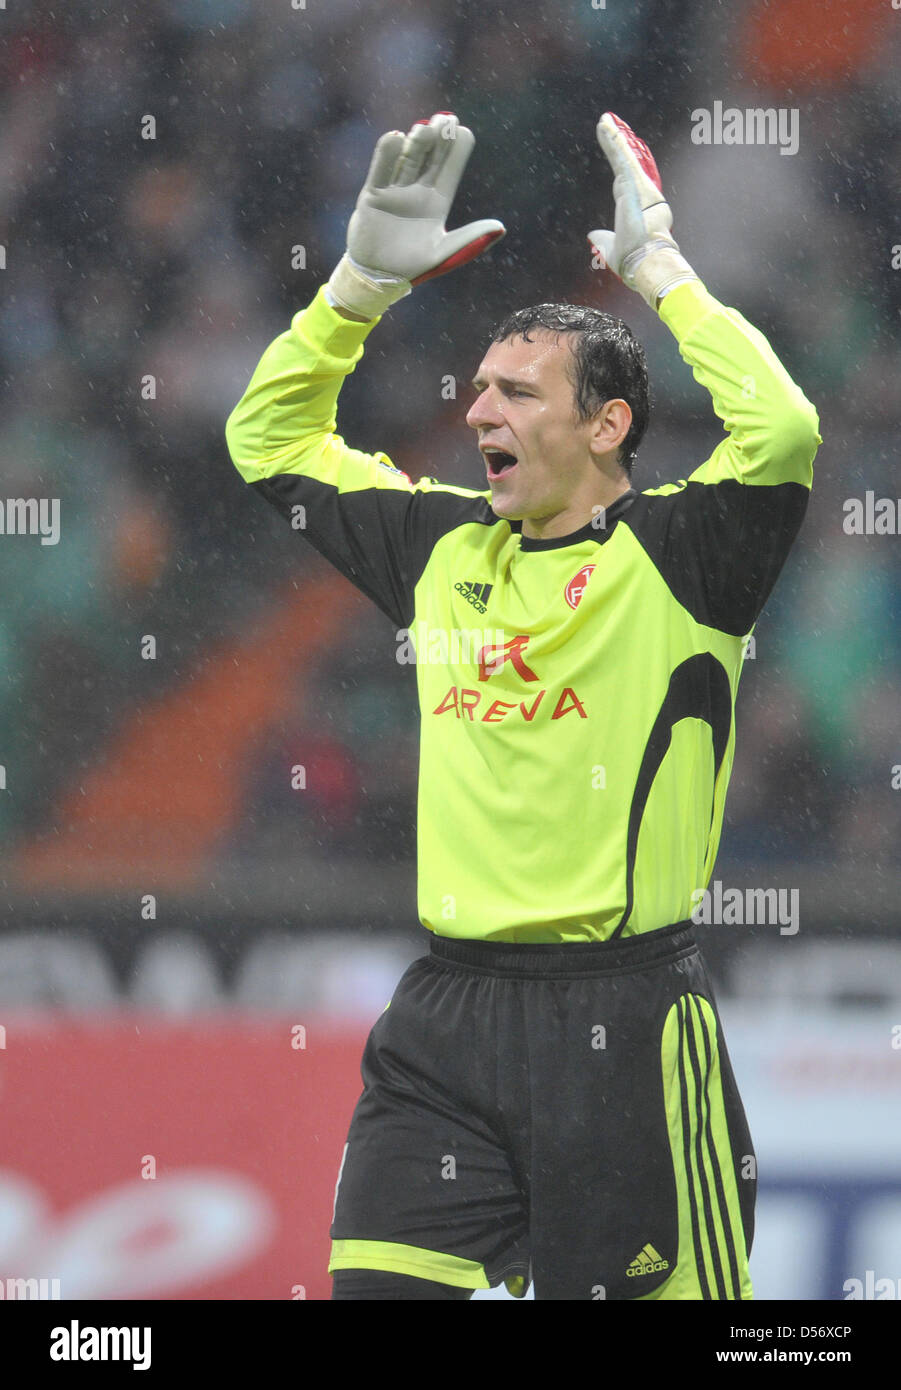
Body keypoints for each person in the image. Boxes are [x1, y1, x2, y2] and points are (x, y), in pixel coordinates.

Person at [225, 111, 821, 1300]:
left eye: (519, 394)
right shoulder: (441, 544)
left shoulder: (686, 557)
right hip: (445, 1020)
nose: (481, 412)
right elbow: (267, 436)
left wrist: (660, 272)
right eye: (480, 391)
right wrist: (353, 291)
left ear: (607, 427)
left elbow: (783, 430)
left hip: (628, 1029)